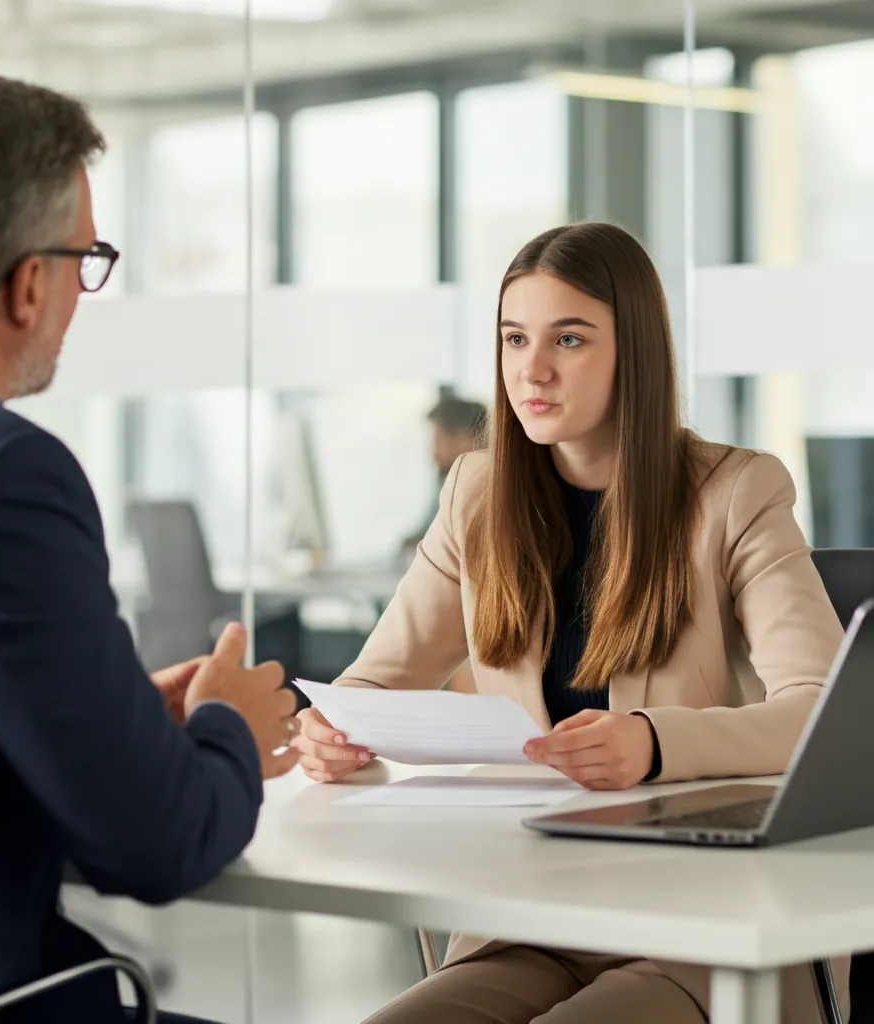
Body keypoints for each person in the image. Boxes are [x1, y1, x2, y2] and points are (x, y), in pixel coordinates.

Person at [292, 222, 847, 1023]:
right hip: (531, 918)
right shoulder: (476, 494)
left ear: (636, 353)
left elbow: (824, 714)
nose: (532, 369)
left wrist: (654, 742)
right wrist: (333, 728)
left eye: (571, 339)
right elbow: (379, 677)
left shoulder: (737, 493)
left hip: (705, 930)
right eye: (515, 338)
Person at [0, 76, 298, 1024]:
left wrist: (118, 720)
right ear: (28, 282)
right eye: (87, 258)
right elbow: (155, 847)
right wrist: (230, 732)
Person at [402, 395, 487, 551]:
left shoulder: (483, 486)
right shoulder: (446, 478)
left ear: (464, 437)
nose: (433, 451)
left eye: (437, 439)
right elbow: (428, 530)